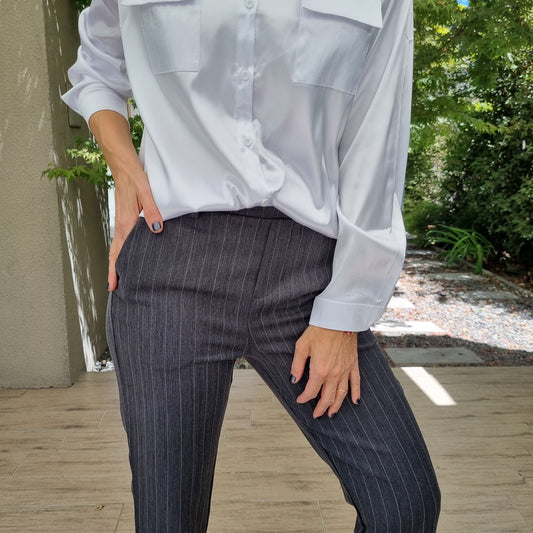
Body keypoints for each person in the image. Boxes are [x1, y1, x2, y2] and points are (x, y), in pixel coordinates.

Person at [63, 0, 441, 531]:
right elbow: (98, 67)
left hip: (309, 278)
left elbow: (378, 132)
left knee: (404, 503)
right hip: (172, 264)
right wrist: (126, 172)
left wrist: (347, 308)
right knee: (168, 519)